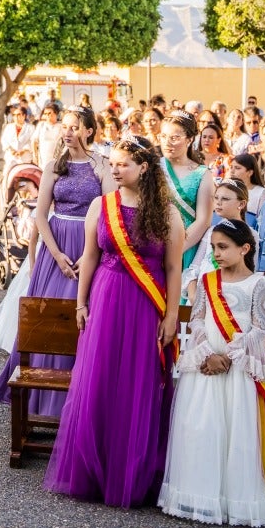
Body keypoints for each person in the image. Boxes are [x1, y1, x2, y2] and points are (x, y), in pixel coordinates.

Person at [44, 138, 183, 508]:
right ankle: (94, 471)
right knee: (100, 380)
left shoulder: (167, 213)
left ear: (144, 168)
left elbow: (173, 267)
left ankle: (132, 472)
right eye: (113, 164)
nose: (115, 170)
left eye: (123, 164)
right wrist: (80, 303)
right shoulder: (101, 205)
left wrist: (171, 315)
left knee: (138, 382)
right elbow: (90, 255)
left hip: (145, 304)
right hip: (106, 299)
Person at [160, 218, 265, 526]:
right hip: (207, 365)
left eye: (223, 247)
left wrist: (231, 353)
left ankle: (238, 499)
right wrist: (208, 354)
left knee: (239, 431)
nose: (217, 254)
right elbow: (197, 319)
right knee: (204, 427)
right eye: (213, 248)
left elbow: (260, 328)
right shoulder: (208, 280)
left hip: (240, 368)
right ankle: (201, 494)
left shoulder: (257, 283)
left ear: (244, 249)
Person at [0, 107, 108, 415]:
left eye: (75, 127)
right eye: (65, 127)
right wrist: (56, 255)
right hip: (55, 247)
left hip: (89, 244)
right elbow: (41, 215)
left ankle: (76, 402)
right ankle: (40, 397)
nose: (67, 132)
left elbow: (108, 214)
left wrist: (89, 253)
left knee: (83, 316)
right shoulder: (54, 165)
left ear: (89, 131)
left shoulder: (102, 165)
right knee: (48, 317)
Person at [161, 110, 213, 276]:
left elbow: (203, 220)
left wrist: (175, 250)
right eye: (163, 136)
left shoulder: (202, 174)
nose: (167, 142)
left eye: (175, 138)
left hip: (187, 244)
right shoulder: (153, 168)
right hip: (154, 243)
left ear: (189, 139)